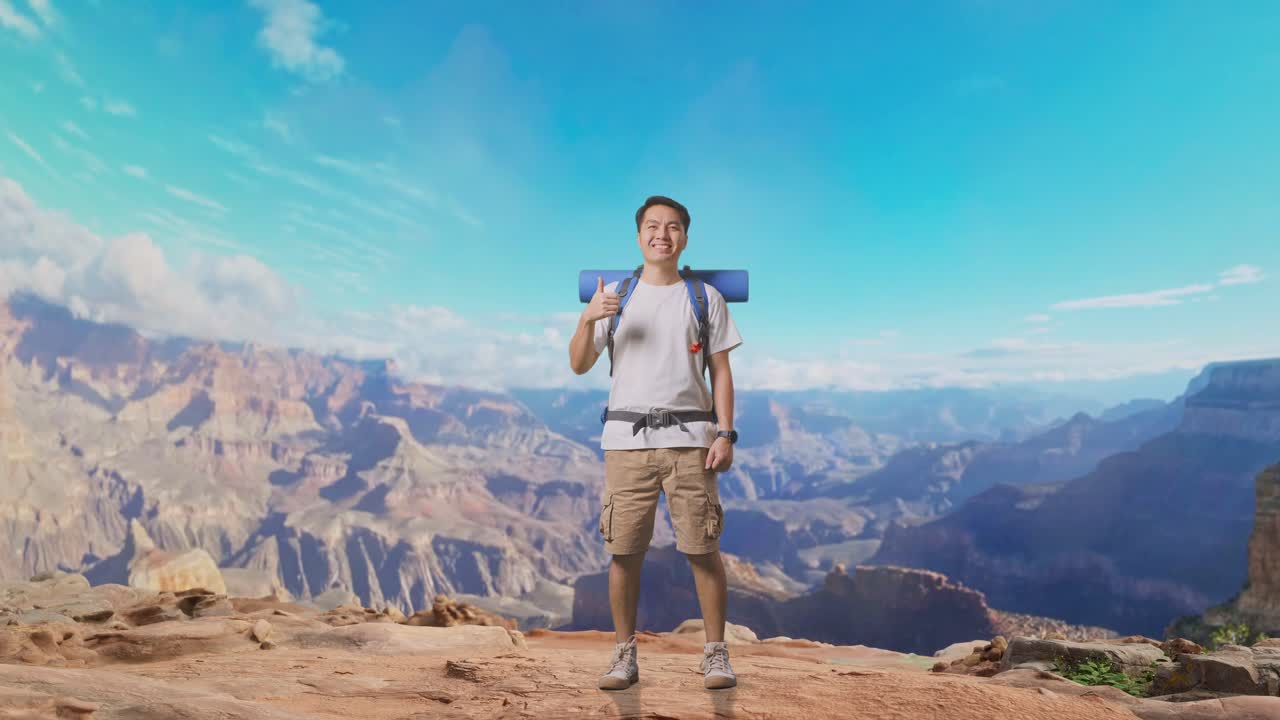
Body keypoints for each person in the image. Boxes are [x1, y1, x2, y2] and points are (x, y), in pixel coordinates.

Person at [568, 195, 743, 691]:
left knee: (702, 549)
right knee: (623, 552)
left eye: (672, 227)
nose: (661, 234)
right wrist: (587, 318)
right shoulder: (613, 296)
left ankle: (715, 653)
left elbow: (722, 372)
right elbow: (579, 364)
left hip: (692, 442)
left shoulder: (705, 299)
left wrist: (725, 433)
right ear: (639, 235)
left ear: (684, 237)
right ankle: (624, 655)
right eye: (652, 226)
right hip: (626, 444)